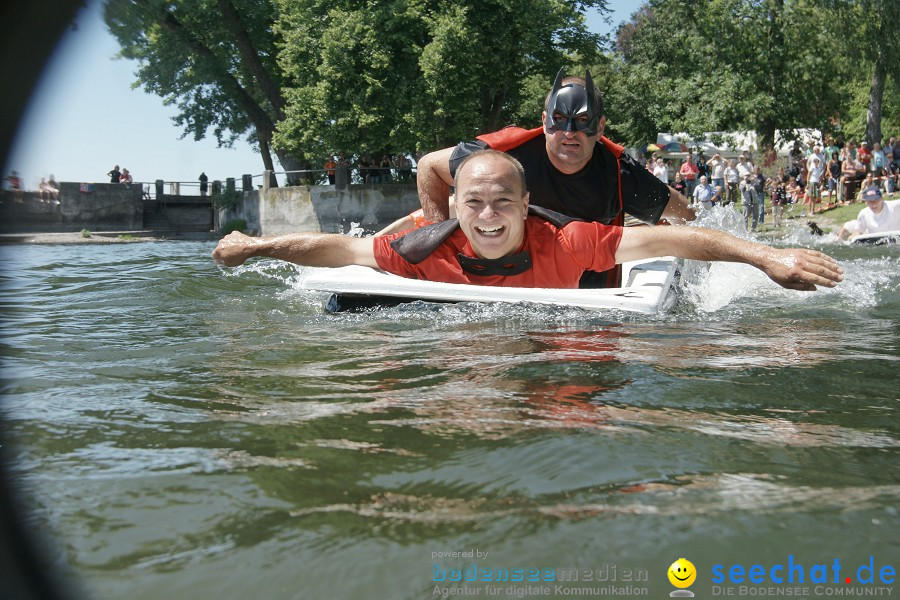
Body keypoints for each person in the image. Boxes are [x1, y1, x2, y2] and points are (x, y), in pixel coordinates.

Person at [214, 150, 843, 293]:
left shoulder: (571, 241)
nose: (488, 218)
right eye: (474, 203)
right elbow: (338, 249)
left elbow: (681, 236)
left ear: (525, 205)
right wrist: (255, 245)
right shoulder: (423, 248)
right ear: (455, 206)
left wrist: (767, 257)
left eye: (503, 203)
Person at [377, 68, 694, 288]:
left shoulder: (618, 171)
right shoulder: (505, 153)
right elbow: (431, 167)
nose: (569, 135)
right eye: (559, 122)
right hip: (503, 279)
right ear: (544, 122)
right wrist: (438, 240)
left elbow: (684, 215)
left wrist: (686, 268)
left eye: (582, 123)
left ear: (600, 128)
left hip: (587, 303)